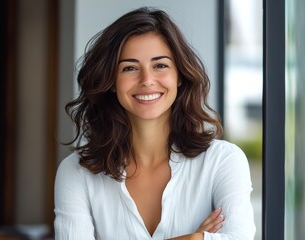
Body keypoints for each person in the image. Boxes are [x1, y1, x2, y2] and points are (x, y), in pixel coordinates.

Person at [54, 7, 255, 240]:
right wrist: (193, 238)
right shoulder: (76, 173)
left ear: (179, 75)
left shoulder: (223, 161)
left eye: (160, 65)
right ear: (111, 81)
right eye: (130, 68)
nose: (147, 80)